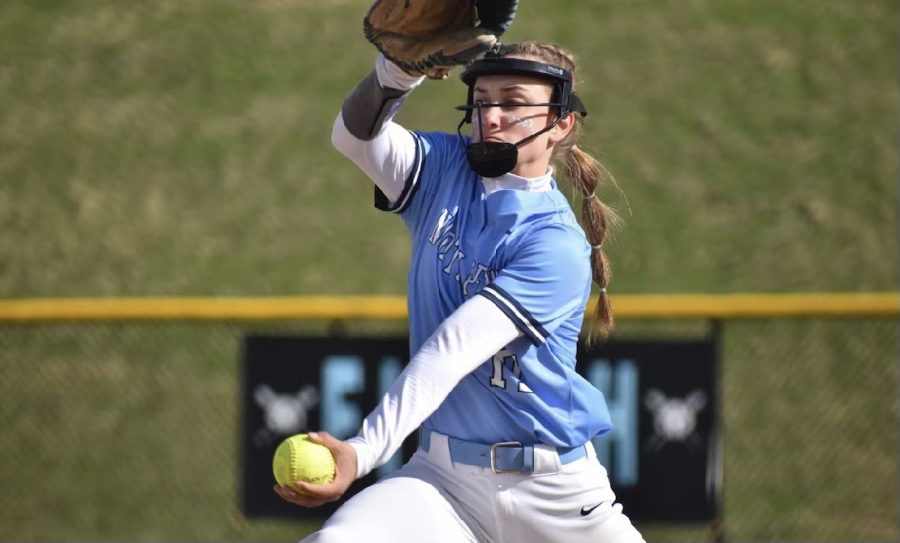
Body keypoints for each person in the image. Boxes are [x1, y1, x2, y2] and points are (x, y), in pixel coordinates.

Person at [274, 41, 645, 543]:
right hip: (442, 481)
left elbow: (452, 350)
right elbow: (353, 137)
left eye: (513, 101)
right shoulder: (444, 169)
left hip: (556, 498)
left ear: (561, 123)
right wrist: (397, 71)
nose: (490, 115)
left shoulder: (555, 244)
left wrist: (364, 450)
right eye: (482, 99)